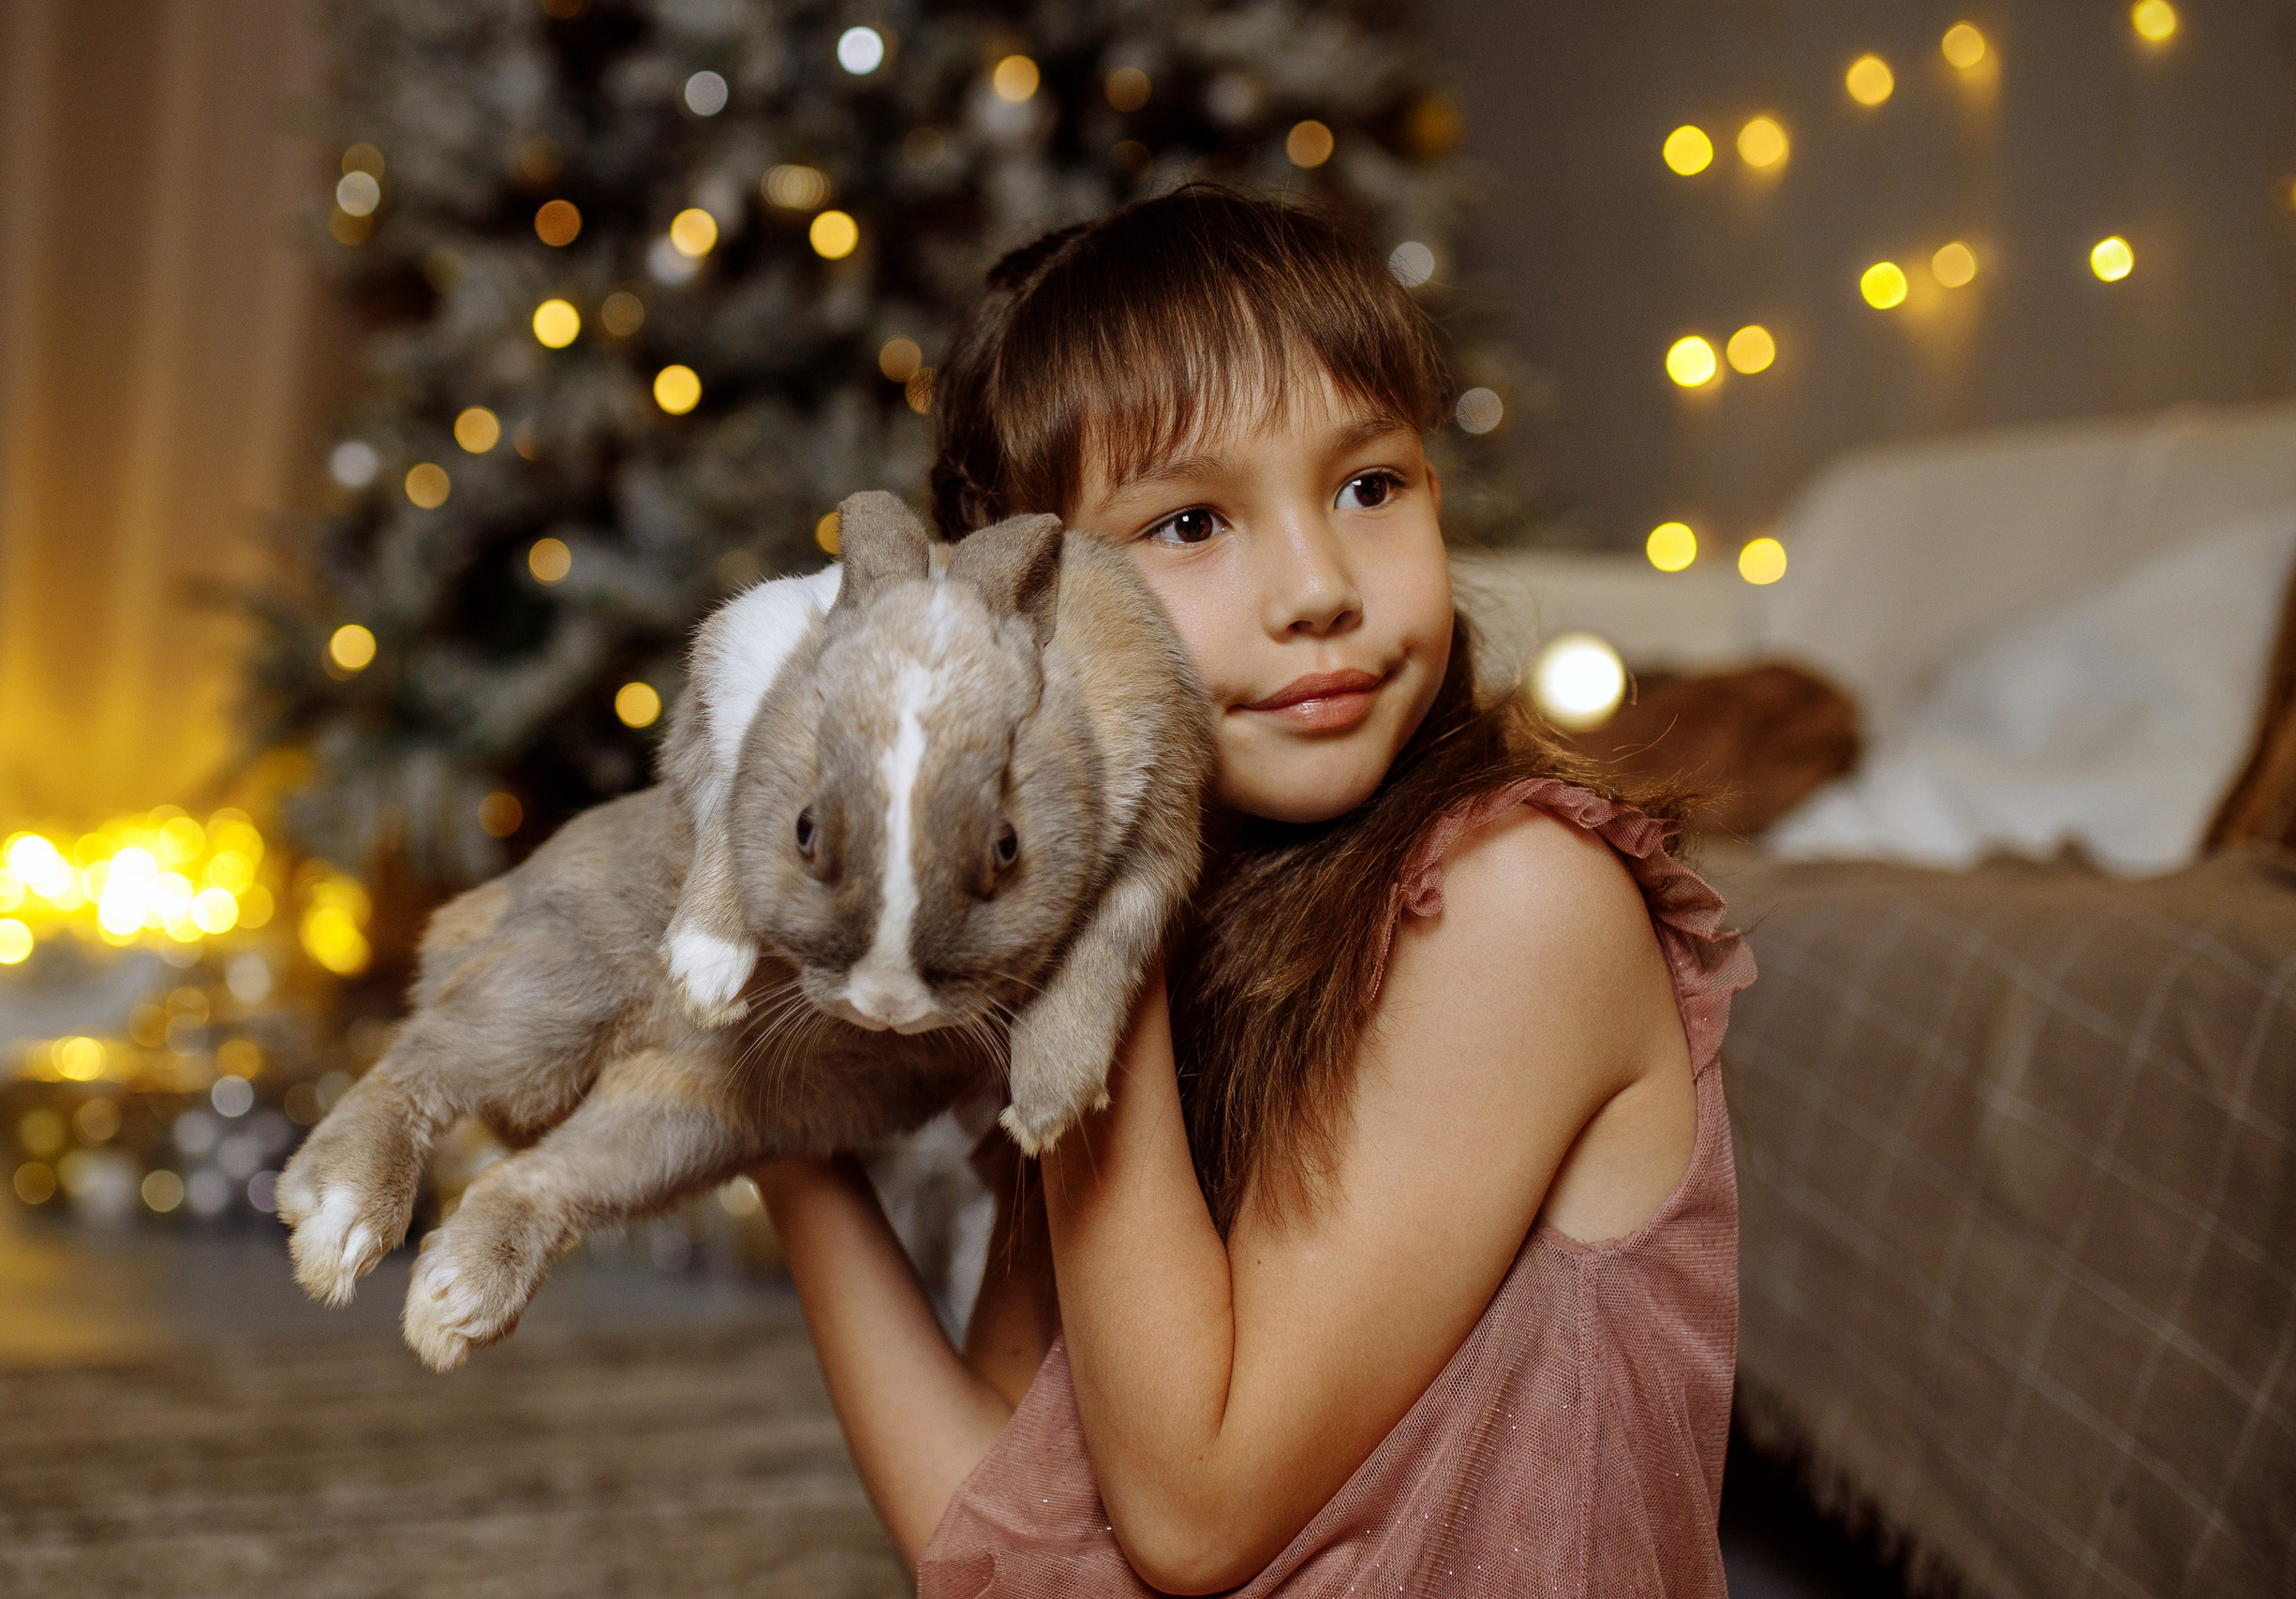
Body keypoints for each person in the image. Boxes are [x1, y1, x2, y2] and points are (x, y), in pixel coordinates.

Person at [748, 185, 1756, 1597]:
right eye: (1190, 523)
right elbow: (1001, 1542)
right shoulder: (1192, 931)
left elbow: (1191, 1517)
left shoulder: (1520, 905)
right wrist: (772, 1133)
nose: (1318, 585)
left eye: (1370, 485)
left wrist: (1108, 924)